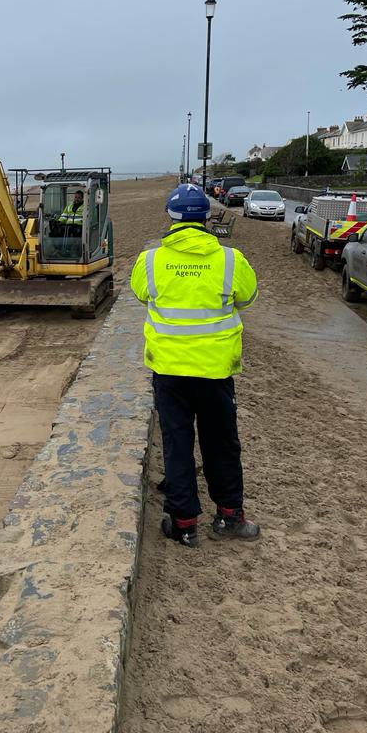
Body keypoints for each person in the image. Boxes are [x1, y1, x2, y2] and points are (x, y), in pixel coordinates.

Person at [130, 183, 260, 548]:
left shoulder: (151, 260)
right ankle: (229, 516)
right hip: (215, 371)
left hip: (169, 370)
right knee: (221, 442)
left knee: (178, 442)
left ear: (171, 218)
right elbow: (248, 298)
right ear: (205, 217)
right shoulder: (230, 259)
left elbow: (140, 294)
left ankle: (184, 524)